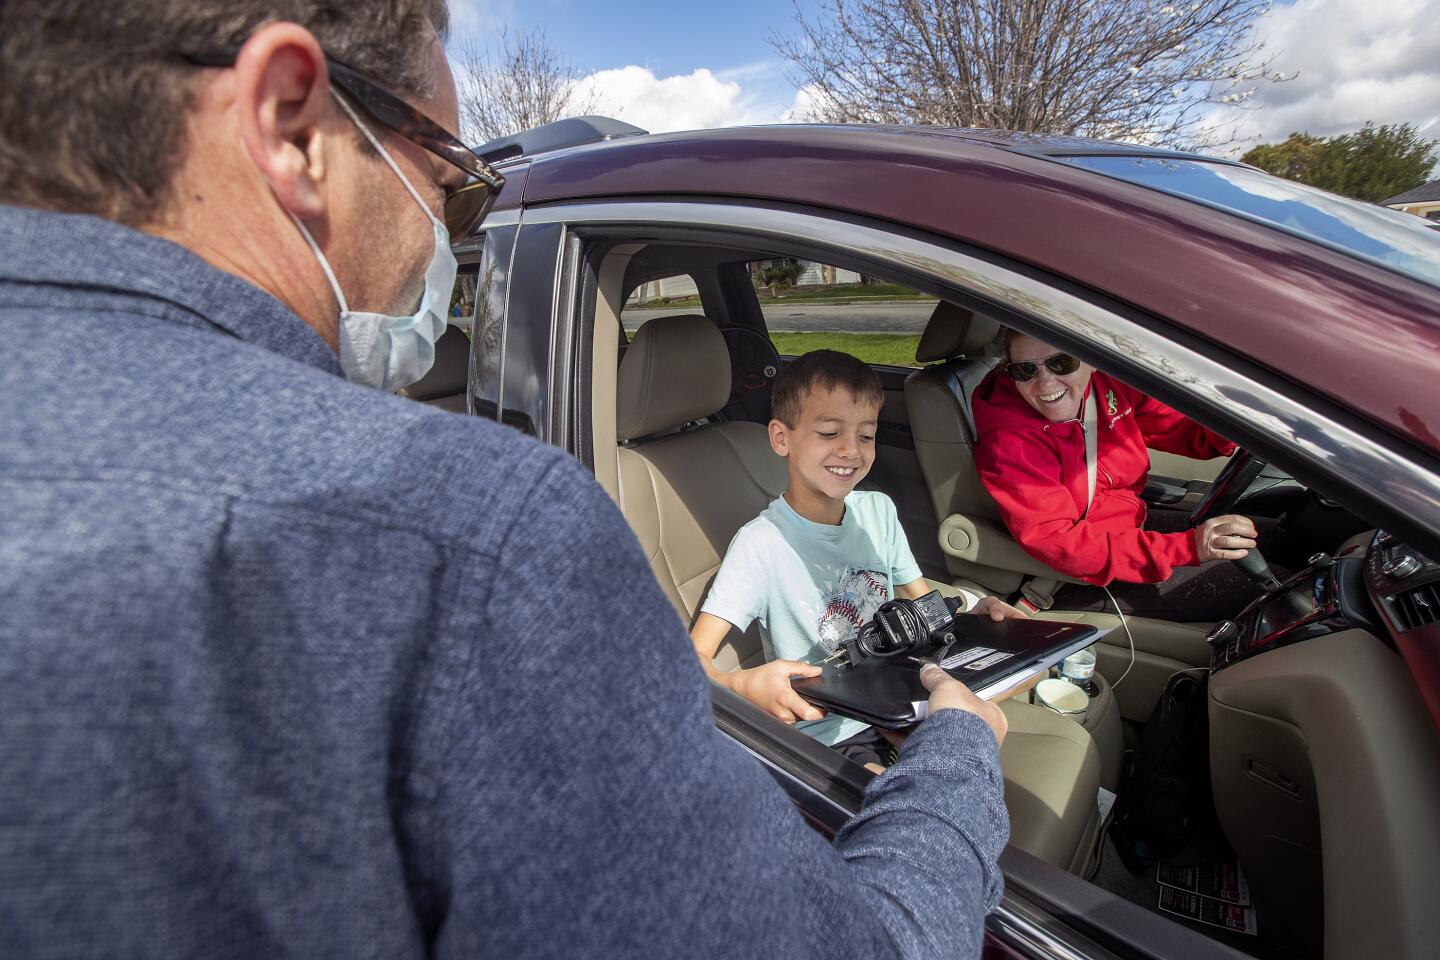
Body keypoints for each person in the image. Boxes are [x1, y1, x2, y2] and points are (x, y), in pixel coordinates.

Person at [0, 4, 1011, 958]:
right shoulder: (469, 541)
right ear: (293, 123)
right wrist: (959, 761)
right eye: (453, 180)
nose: (448, 231)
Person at [691, 351, 1024, 772]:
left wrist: (975, 612)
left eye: (866, 436)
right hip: (829, 734)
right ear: (781, 438)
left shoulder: (878, 512)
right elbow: (692, 661)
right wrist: (740, 683)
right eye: (829, 432)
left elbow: (923, 604)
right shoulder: (761, 545)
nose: (851, 450)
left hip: (903, 699)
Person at [972, 329, 1268, 621]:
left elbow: (1179, 428)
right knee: (1265, 588)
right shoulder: (1010, 439)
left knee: (1276, 539)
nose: (1045, 383)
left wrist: (1245, 424)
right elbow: (1056, 541)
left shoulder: (1108, 384)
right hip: (1080, 572)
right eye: (1025, 371)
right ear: (1010, 373)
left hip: (1127, 528)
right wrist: (1186, 548)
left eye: (1062, 363)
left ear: (1092, 358)